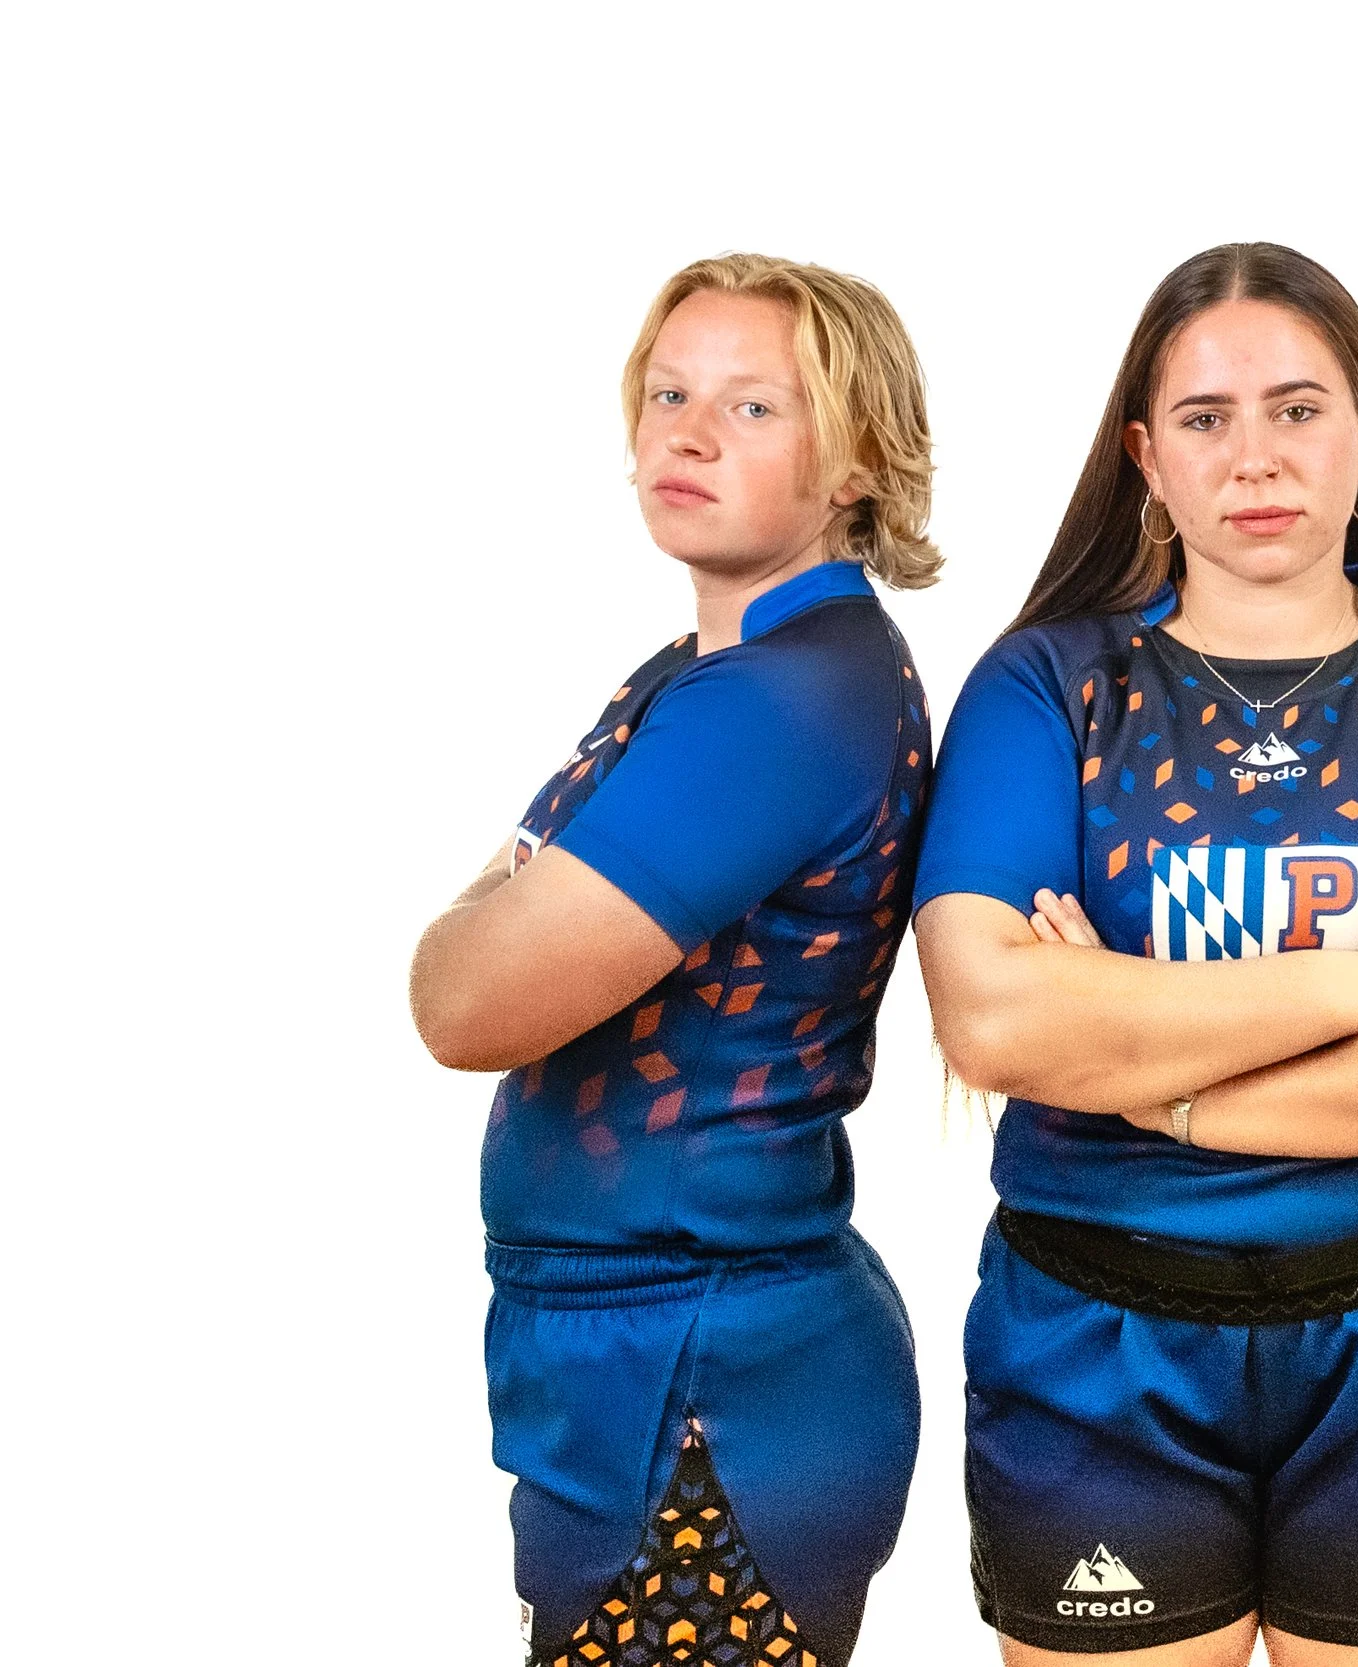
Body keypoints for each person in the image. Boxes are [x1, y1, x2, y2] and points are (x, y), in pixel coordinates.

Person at [912, 242, 1358, 1666]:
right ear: (1144, 459)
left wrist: (1142, 1066)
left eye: (1299, 409)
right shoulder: (1044, 686)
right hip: (1091, 1350)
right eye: (1205, 419)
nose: (1256, 455)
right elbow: (991, 1018)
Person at [408, 253, 940, 1667]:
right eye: (669, 393)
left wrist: (505, 884)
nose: (687, 434)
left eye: (754, 406)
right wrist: (515, 893)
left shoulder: (778, 700)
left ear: (856, 463)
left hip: (708, 1380)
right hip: (642, 1356)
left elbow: (464, 999)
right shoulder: (695, 674)